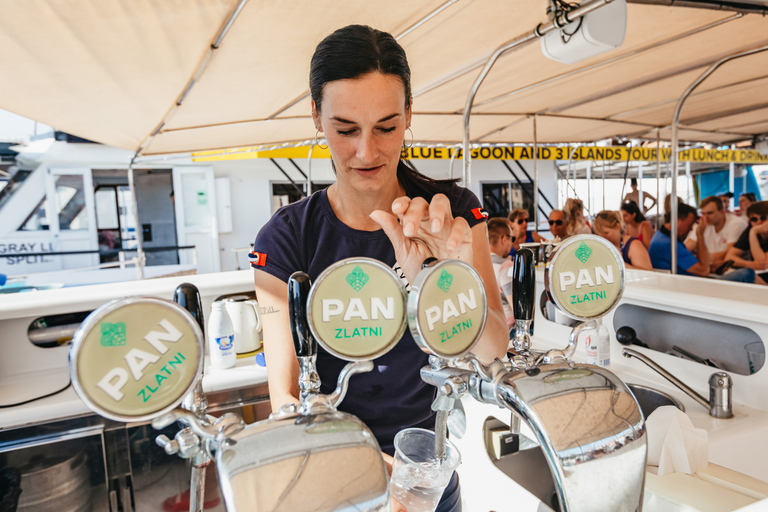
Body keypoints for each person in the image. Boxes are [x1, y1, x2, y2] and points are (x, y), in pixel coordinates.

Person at [251, 25, 507, 512]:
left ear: (410, 114)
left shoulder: (450, 211)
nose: (366, 152)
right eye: (345, 130)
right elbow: (284, 398)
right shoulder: (286, 238)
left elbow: (494, 353)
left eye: (387, 127)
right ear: (316, 117)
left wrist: (444, 279)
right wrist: (363, 467)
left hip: (428, 479)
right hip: (333, 482)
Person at [648, 202, 755, 283]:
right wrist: (700, 235)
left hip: (686, 281)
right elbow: (703, 271)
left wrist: (709, 264)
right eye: (690, 224)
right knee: (747, 273)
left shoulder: (661, 236)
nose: (691, 229)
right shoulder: (668, 244)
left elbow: (687, 259)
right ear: (678, 221)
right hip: (691, 286)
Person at [683, 195, 746, 272]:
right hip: (710, 269)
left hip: (732, 269)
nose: (705, 217)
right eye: (703, 213)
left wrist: (700, 258)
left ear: (722, 211)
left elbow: (729, 254)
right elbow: (685, 249)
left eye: (710, 213)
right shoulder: (702, 224)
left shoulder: (736, 224)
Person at [725, 201, 768, 280]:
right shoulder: (750, 229)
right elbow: (729, 257)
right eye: (754, 219)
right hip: (761, 276)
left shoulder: (753, 230)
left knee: (744, 275)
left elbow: (762, 263)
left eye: (763, 218)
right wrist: (750, 264)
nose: (759, 222)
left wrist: (753, 232)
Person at [487, 218, 515, 333]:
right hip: (507, 328)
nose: (512, 243)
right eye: (511, 238)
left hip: (488, 327)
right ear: (504, 238)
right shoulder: (505, 266)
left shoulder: (478, 263)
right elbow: (517, 308)